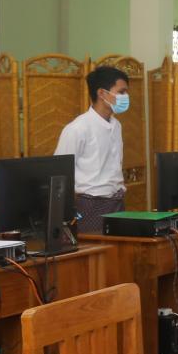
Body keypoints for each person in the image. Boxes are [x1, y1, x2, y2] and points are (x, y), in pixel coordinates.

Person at [54, 65, 129, 234]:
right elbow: (60, 172)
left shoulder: (117, 125)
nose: (126, 97)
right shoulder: (77, 129)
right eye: (121, 92)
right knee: (95, 250)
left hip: (117, 202)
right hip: (90, 205)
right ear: (102, 93)